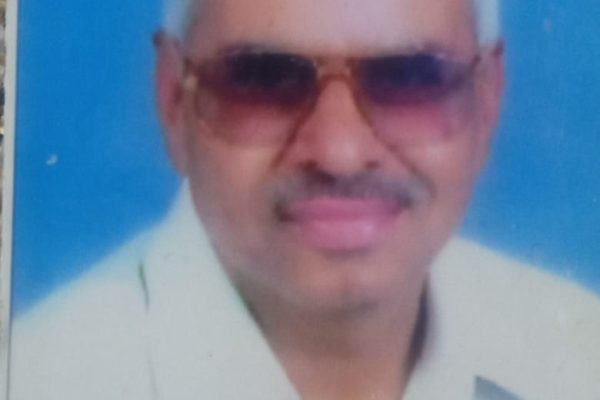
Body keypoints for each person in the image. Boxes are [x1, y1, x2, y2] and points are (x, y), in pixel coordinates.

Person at [9, 0, 600, 399]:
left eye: (409, 78)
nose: (340, 153)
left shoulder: (580, 356)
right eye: (263, 79)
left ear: (487, 100)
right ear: (172, 101)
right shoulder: (36, 381)